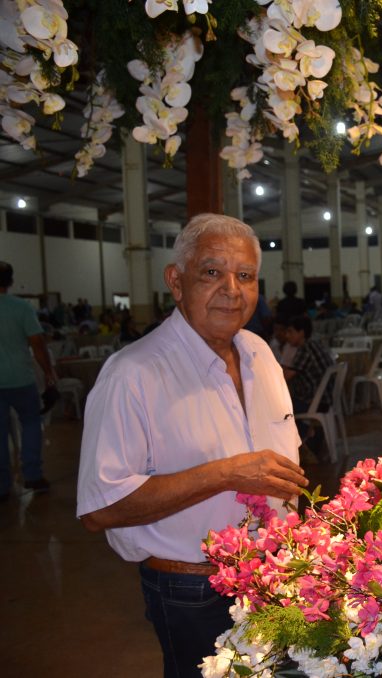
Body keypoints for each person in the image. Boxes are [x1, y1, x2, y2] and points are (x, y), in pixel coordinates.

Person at [76, 214, 308, 678]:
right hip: (192, 592)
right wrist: (226, 474)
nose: (231, 289)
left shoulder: (260, 354)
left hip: (276, 579)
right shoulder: (133, 374)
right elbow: (100, 509)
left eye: (245, 276)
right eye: (211, 272)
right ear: (175, 282)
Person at [0, 261, 58, 500]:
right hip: (21, 379)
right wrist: (48, 371)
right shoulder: (22, 307)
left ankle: (2, 485)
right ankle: (33, 475)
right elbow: (37, 343)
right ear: (11, 282)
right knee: (32, 423)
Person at [282, 314, 334, 418]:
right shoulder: (314, 344)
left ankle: (305, 432)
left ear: (301, 333)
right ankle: (308, 431)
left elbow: (285, 376)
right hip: (324, 396)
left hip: (315, 401)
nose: (287, 335)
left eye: (290, 331)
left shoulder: (305, 350)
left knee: (279, 409)